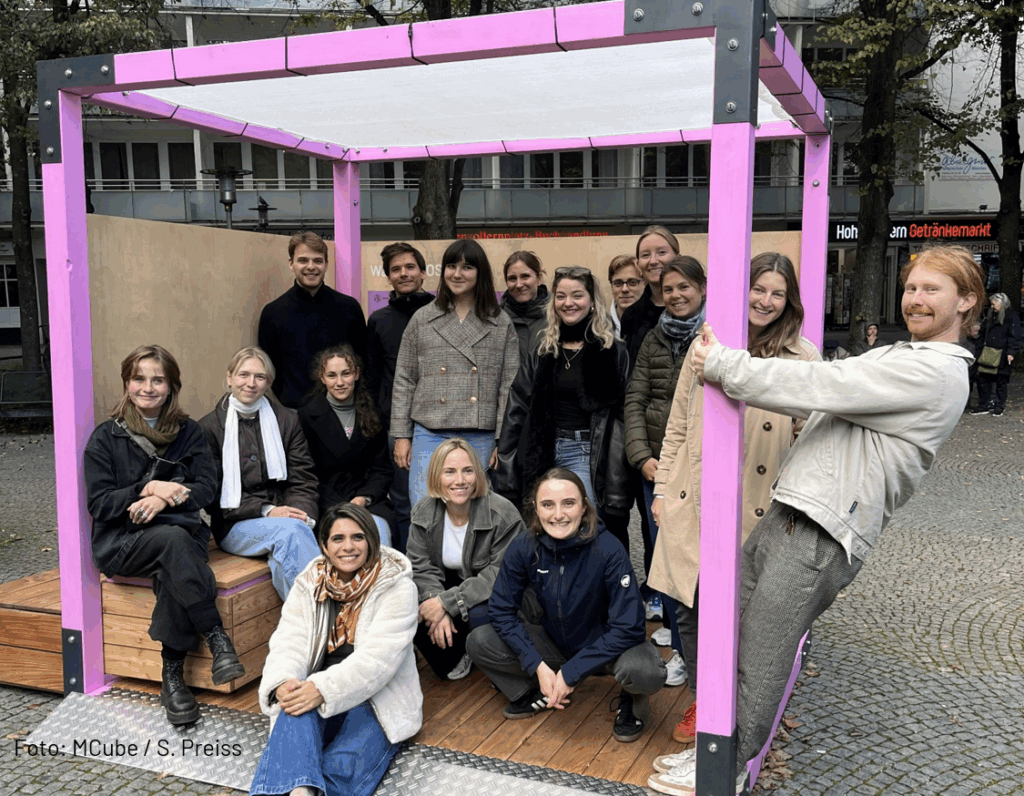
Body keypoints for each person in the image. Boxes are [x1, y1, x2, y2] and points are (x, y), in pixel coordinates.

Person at [648, 244, 983, 795]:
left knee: (761, 650)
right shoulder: (904, 353)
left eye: (931, 289)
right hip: (793, 509)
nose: (915, 299)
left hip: (820, 528)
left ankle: (725, 769)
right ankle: (714, 748)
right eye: (911, 287)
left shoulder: (936, 371)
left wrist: (726, 365)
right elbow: (828, 392)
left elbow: (824, 387)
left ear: (966, 300)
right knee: (731, 631)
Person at [643, 253, 820, 783]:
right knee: (690, 614)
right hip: (695, 500)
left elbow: (812, 438)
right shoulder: (707, 344)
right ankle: (706, 716)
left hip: (759, 507)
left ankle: (729, 741)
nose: (765, 301)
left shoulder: (802, 356)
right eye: (757, 289)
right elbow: (678, 424)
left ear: (789, 301)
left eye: (777, 293)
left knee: (744, 626)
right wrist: (661, 488)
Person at [84, 345, 243, 726]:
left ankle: (172, 677)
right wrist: (147, 488)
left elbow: (207, 488)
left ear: (172, 386)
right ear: (127, 383)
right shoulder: (106, 438)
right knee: (174, 543)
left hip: (180, 536)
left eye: (158, 380)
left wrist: (164, 500)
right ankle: (215, 636)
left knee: (173, 557)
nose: (148, 388)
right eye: (139, 379)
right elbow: (100, 504)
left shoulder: (190, 433)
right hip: (122, 543)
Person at [467, 468, 666, 743]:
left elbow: (630, 626)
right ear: (536, 508)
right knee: (479, 640)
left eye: (568, 503)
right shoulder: (523, 546)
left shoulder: (609, 548)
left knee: (645, 671)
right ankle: (531, 692)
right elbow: (501, 610)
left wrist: (573, 672)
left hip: (606, 648)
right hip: (554, 644)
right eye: (548, 504)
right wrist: (537, 664)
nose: (558, 514)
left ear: (584, 506)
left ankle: (632, 702)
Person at [249, 503, 421, 796]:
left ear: (371, 540)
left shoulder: (398, 586)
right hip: (315, 690)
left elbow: (378, 661)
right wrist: (283, 682)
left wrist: (322, 689)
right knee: (293, 705)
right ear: (324, 546)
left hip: (376, 697)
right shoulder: (310, 583)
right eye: (338, 539)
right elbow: (289, 640)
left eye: (358, 537)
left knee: (342, 766)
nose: (348, 547)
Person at [494, 266, 631, 547]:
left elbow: (622, 418)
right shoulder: (544, 348)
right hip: (543, 449)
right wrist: (506, 462)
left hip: (586, 452)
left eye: (577, 295)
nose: (568, 303)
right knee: (542, 530)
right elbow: (518, 405)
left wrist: (618, 482)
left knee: (586, 531)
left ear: (592, 301)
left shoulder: (612, 350)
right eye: (561, 296)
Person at [624, 255, 709, 690]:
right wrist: (642, 456)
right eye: (670, 288)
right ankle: (679, 647)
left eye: (684, 287)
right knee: (670, 564)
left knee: (706, 565)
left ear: (702, 288)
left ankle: (710, 649)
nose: (676, 295)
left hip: (702, 469)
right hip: (659, 468)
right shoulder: (653, 339)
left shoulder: (715, 337)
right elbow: (635, 399)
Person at [391, 238, 519, 510]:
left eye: (467, 267)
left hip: (481, 434)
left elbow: (508, 386)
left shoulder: (500, 322)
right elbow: (404, 379)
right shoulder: (422, 318)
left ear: (480, 273)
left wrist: (503, 440)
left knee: (475, 511)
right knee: (424, 508)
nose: (457, 274)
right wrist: (401, 435)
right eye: (451, 266)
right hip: (429, 430)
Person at [199, 346, 321, 602]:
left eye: (260, 377)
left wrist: (301, 514)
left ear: (268, 383)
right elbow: (213, 494)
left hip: (289, 519)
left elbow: (303, 478)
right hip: (234, 525)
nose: (251, 383)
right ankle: (328, 616)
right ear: (229, 377)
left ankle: (306, 625)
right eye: (243, 375)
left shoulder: (287, 420)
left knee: (284, 559)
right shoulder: (208, 428)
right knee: (290, 533)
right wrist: (268, 510)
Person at [406, 439, 524, 681]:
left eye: (468, 471)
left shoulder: (502, 513)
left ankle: (484, 652)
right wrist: (434, 601)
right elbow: (420, 566)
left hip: (497, 593)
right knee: (411, 609)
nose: (460, 480)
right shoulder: (423, 511)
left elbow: (501, 572)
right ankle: (460, 651)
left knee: (481, 615)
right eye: (449, 472)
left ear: (478, 474)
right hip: (451, 586)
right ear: (436, 476)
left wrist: (448, 602)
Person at [365, 242, 435, 551]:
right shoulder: (379, 320)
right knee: (405, 502)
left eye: (409, 267)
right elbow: (373, 377)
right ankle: (412, 566)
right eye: (396, 269)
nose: (404, 273)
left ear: (423, 272)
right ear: (388, 277)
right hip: (398, 426)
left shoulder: (443, 312)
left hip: (441, 422)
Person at [258, 231, 368, 408]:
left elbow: (363, 360)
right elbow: (269, 369)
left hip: (343, 409)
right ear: (291, 264)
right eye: (303, 260)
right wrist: (289, 400)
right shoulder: (272, 313)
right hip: (295, 412)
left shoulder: (349, 308)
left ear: (326, 264)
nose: (311, 267)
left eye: (317, 260)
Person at [298, 345, 394, 547]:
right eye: (332, 375)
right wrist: (341, 506)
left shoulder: (373, 414)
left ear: (356, 374)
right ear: (322, 378)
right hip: (326, 502)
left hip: (367, 500)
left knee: (379, 531)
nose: (340, 382)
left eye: (346, 374)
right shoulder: (306, 416)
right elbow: (305, 473)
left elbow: (382, 469)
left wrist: (363, 499)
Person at [620, 226, 680, 369]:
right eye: (645, 255)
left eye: (662, 253)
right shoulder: (631, 316)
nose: (653, 261)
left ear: (678, 257)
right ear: (638, 264)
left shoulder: (697, 311)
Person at [970, 291, 1021, 416]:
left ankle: (999, 406)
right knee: (983, 379)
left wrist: (1011, 351)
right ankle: (985, 404)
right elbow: (983, 333)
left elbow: (1015, 335)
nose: (992, 306)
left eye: (994, 304)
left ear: (1001, 304)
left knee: (1000, 381)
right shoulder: (991, 316)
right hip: (987, 351)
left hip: (1002, 353)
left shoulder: (1011, 317)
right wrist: (979, 348)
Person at [500, 250, 549, 362]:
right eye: (512, 278)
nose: (519, 284)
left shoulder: (557, 314)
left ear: (539, 278)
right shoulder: (497, 318)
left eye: (525, 276)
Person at [608, 254, 644, 338]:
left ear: (644, 284)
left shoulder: (656, 326)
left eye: (632, 282)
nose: (624, 289)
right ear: (612, 287)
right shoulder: (599, 330)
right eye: (618, 283)